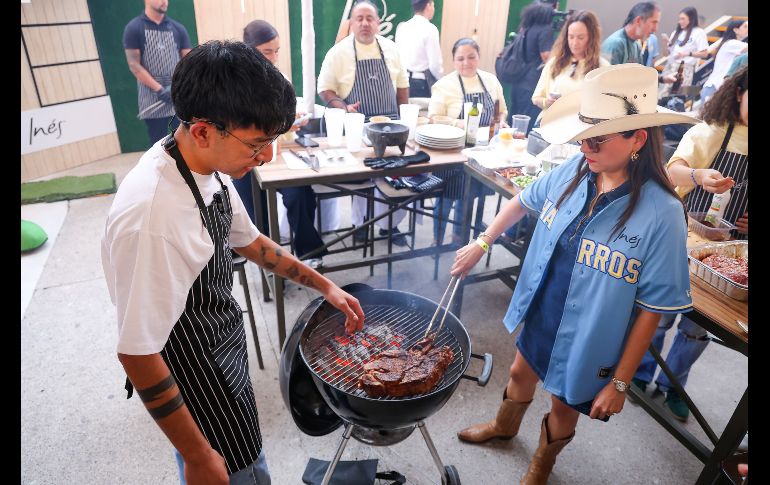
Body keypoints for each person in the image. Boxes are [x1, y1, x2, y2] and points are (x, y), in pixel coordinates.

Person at [101, 40, 365, 484]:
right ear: (203, 130)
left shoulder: (205, 163)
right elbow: (138, 353)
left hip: (221, 345)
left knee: (247, 460)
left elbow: (250, 241)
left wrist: (325, 285)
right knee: (231, 469)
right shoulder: (154, 218)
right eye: (258, 144)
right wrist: (198, 455)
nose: (265, 156)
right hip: (191, 377)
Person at [451, 63, 697, 483]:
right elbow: (524, 200)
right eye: (583, 135)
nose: (585, 146)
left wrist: (620, 384)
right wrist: (483, 242)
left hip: (591, 332)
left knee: (564, 406)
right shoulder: (577, 170)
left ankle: (540, 467)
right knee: (518, 372)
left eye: (597, 138)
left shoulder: (664, 213)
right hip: (546, 305)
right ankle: (504, 428)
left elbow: (653, 308)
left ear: (637, 138)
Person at [632, 65, 748, 422]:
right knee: (662, 313)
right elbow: (671, 170)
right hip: (687, 239)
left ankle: (675, 386)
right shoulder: (713, 132)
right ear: (740, 93)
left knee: (697, 330)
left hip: (729, 257)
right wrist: (698, 176)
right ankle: (639, 373)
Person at [317, 0, 411, 246]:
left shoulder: (391, 49)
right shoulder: (338, 52)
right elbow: (325, 89)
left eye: (370, 18)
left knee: (396, 175)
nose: (365, 23)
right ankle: (361, 225)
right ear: (351, 23)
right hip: (358, 125)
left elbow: (402, 86)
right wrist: (343, 107)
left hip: (391, 125)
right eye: (359, 18)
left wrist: (405, 119)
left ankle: (390, 226)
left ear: (378, 23)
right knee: (363, 177)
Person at [237, 19, 326, 268]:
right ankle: (269, 263)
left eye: (277, 51)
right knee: (256, 210)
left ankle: (309, 251)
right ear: (249, 50)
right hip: (244, 155)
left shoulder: (280, 78)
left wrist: (292, 121)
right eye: (267, 52)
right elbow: (242, 127)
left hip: (279, 153)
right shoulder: (237, 82)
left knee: (300, 194)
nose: (274, 57)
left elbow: (285, 117)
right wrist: (282, 126)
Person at [428, 38, 507, 245]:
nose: (466, 63)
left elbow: (501, 112)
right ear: (453, 61)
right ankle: (437, 241)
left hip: (483, 154)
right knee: (445, 201)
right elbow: (434, 117)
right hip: (452, 153)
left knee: (468, 199)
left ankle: (459, 240)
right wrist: (461, 124)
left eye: (471, 57)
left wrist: (502, 123)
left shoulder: (491, 81)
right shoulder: (444, 85)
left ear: (478, 57)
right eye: (460, 58)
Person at [123, 0, 192, 146]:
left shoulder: (178, 28)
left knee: (185, 140)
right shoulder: (134, 28)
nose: (164, 2)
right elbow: (134, 65)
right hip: (151, 96)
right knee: (158, 143)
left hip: (177, 94)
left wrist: (176, 88)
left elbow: (189, 61)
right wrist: (160, 89)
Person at [530, 10, 609, 115]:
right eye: (571, 37)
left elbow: (606, 105)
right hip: (550, 123)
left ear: (592, 37)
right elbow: (536, 98)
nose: (574, 43)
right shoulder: (555, 63)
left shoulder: (603, 67)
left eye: (581, 38)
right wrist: (547, 102)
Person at [507, 1, 554, 132]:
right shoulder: (545, 30)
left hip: (518, 82)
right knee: (525, 127)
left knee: (513, 121)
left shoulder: (525, 28)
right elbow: (547, 57)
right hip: (531, 85)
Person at [395, 0, 443, 98]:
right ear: (428, 5)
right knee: (421, 113)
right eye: (433, 5)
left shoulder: (402, 27)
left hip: (401, 81)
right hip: (420, 83)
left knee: (404, 111)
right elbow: (435, 65)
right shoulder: (430, 29)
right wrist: (441, 81)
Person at [699, 19, 748, 104]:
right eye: (745, 26)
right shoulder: (731, 43)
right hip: (714, 87)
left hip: (716, 87)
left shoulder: (730, 43)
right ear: (735, 30)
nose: (747, 29)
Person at [662, 7, 709, 89]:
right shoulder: (676, 32)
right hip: (670, 66)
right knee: (661, 94)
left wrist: (687, 53)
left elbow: (704, 53)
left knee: (677, 97)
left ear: (691, 19)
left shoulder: (698, 32)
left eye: (683, 19)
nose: (680, 21)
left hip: (685, 68)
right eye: (679, 19)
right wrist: (664, 44)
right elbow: (666, 54)